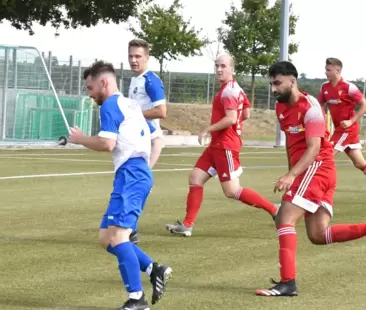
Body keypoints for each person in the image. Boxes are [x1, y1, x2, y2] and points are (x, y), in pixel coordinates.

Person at [256, 61, 366, 297]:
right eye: (271, 84)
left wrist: (292, 175)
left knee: (284, 218)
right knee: (318, 235)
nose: (273, 89)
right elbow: (289, 142)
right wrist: (290, 171)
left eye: (277, 83)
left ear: (292, 81)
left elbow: (314, 148)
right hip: (312, 171)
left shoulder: (311, 108)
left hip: (317, 168)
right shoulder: (281, 107)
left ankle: (288, 283)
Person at [68, 60, 172, 309]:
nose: (90, 94)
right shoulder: (131, 105)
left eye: (90, 87)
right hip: (135, 174)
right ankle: (153, 268)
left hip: (132, 176)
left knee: (118, 236)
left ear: (103, 82)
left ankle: (138, 299)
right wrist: (146, 168)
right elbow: (157, 139)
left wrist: (81, 139)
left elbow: (107, 144)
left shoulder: (111, 106)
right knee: (107, 238)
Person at [164, 54, 278, 237]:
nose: (219, 69)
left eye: (223, 66)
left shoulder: (229, 91)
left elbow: (232, 118)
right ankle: (187, 225)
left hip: (225, 146)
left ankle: (274, 210)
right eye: (217, 66)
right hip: (217, 145)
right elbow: (246, 113)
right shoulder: (235, 89)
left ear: (232, 69)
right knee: (195, 178)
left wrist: (208, 128)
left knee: (232, 191)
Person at [127, 39, 167, 245]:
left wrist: (134, 114)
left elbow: (162, 112)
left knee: (137, 184)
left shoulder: (150, 80)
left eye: (138, 56)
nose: (133, 60)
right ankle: (129, 228)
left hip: (150, 140)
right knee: (134, 183)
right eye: (131, 56)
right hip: (138, 139)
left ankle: (130, 229)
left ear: (147, 58)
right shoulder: (135, 79)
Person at [317, 57, 366, 174]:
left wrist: (351, 121)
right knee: (360, 164)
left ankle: (316, 189)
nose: (326, 72)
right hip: (339, 128)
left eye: (328, 70)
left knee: (325, 155)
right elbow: (319, 106)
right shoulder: (324, 87)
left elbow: (364, 105)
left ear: (337, 71)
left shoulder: (349, 87)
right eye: (325, 69)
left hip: (348, 129)